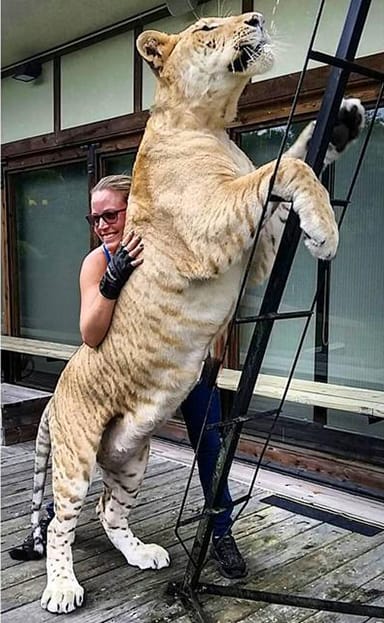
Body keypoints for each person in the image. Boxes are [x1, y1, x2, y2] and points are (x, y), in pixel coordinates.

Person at [10, 174, 246, 579]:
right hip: (118, 380)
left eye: (111, 214)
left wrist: (217, 343)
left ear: (133, 211)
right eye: (94, 218)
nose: (102, 225)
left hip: (177, 369)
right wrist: (113, 278)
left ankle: (222, 531)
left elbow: (207, 291)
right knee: (84, 450)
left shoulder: (165, 251)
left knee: (210, 441)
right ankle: (57, 514)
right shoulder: (98, 261)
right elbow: (90, 334)